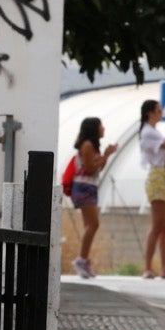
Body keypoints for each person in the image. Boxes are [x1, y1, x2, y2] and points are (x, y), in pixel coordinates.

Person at [69, 116, 116, 278]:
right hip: (83, 187)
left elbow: (98, 168)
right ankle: (81, 259)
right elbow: (89, 169)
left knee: (90, 225)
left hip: (89, 186)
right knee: (93, 224)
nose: (103, 129)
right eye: (101, 126)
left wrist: (105, 156)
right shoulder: (87, 145)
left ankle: (84, 259)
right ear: (94, 128)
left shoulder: (93, 146)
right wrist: (106, 155)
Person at [138, 100, 165, 279]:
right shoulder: (148, 132)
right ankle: (148, 267)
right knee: (158, 225)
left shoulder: (153, 131)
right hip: (158, 177)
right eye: (158, 110)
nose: (161, 112)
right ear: (150, 113)